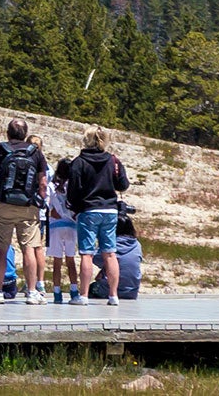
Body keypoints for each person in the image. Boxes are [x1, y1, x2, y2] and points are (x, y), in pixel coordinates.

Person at [57, 128, 129, 307]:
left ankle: (83, 295)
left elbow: (72, 192)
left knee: (86, 254)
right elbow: (123, 185)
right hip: (110, 210)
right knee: (110, 253)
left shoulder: (79, 162)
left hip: (88, 210)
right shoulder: (113, 161)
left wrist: (75, 207)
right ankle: (113, 296)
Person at [0, 118, 49, 305]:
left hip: (2, 205)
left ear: (7, 133)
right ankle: (33, 292)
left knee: (1, 250)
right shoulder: (35, 152)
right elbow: (43, 182)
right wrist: (41, 200)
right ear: (25, 134)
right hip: (28, 206)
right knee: (28, 249)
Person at [90, 209, 141, 302]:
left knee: (92, 287)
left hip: (108, 290)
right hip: (132, 291)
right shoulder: (137, 244)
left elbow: (96, 259)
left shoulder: (110, 245)